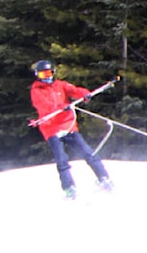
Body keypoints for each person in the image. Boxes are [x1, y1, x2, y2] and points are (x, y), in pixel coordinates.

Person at [29, 60, 113, 199]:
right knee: (62, 160)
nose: (46, 77)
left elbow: (74, 90)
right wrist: (61, 107)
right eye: (43, 74)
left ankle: (104, 178)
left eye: (49, 73)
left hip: (68, 126)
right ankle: (69, 188)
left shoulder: (60, 85)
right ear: (38, 75)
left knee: (88, 153)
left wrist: (84, 94)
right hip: (52, 129)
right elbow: (44, 106)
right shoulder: (36, 90)